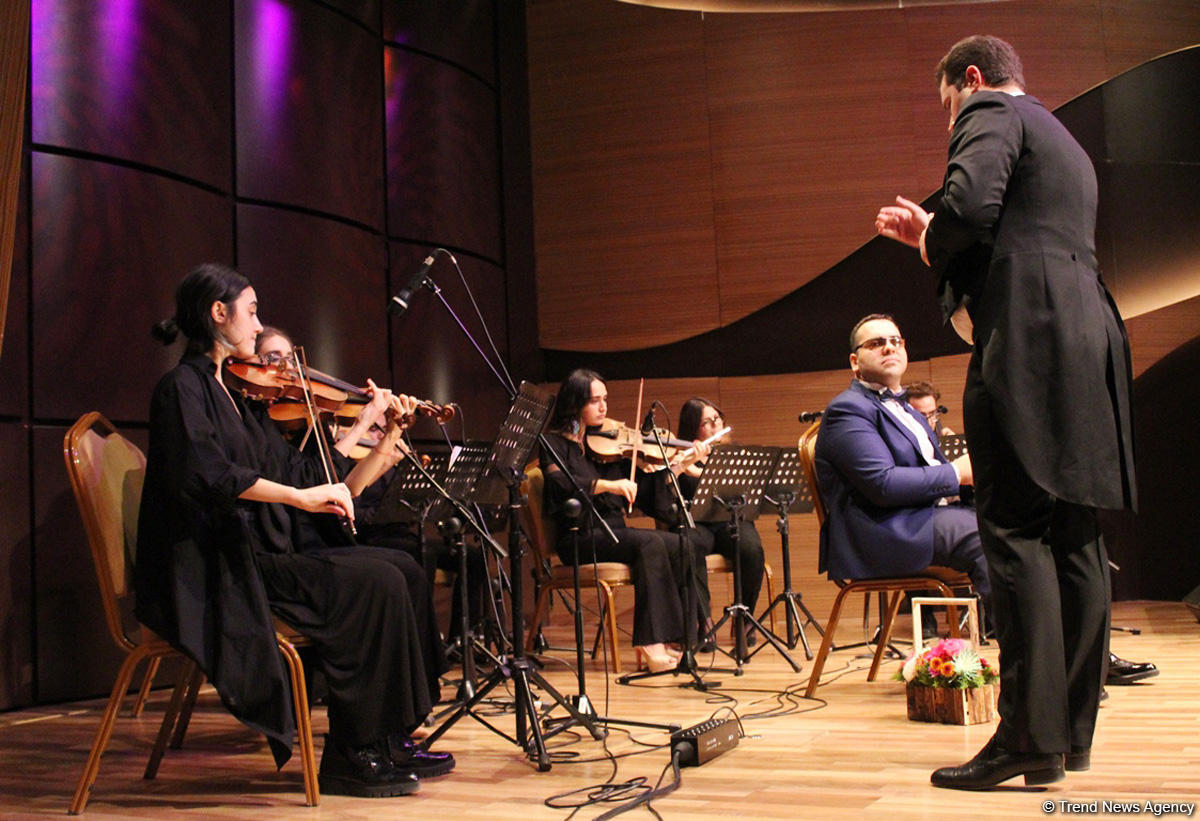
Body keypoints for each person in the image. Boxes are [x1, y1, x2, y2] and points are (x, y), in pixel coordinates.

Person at [875, 35, 1136, 789]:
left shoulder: (989, 107)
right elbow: (1019, 230)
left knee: (1015, 529)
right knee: (1074, 530)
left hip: (1027, 338)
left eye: (946, 103)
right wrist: (938, 241)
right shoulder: (1069, 145)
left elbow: (967, 205)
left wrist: (932, 237)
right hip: (1090, 335)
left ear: (975, 79)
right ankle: (1067, 736)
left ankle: (1026, 735)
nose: (951, 119)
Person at [135, 263, 451, 799]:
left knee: (399, 566)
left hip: (260, 553)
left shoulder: (238, 397)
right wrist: (300, 497)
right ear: (219, 313)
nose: (258, 328)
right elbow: (210, 476)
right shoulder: (180, 389)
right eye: (252, 312)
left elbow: (306, 474)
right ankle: (350, 753)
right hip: (226, 567)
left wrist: (381, 438)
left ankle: (386, 733)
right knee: (375, 582)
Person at [255, 327, 489, 652]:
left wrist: (392, 431)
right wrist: (364, 422)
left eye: (291, 360)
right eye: (273, 359)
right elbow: (311, 482)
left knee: (407, 566)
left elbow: (345, 488)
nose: (288, 371)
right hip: (293, 546)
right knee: (396, 567)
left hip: (324, 535)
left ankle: (422, 676)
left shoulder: (313, 425)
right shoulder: (260, 429)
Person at [813, 315, 992, 632]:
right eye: (876, 343)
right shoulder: (848, 409)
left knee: (1020, 522)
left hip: (920, 517)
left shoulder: (909, 410)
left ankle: (1066, 652)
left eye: (895, 341)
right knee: (987, 535)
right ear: (855, 361)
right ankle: (1029, 661)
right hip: (882, 531)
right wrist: (957, 472)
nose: (888, 348)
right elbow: (883, 484)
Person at [539, 369, 708, 673]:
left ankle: (680, 639)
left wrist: (678, 467)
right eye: (594, 400)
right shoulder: (552, 443)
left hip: (612, 532)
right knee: (650, 542)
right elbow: (561, 485)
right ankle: (651, 641)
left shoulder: (602, 447)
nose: (603, 407)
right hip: (579, 536)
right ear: (575, 403)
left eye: (605, 399)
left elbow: (646, 497)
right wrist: (608, 485)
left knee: (684, 542)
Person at [649, 398, 766, 649]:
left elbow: (739, 491)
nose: (716, 426)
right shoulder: (679, 454)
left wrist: (698, 472)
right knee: (687, 546)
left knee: (751, 548)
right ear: (694, 429)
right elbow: (662, 498)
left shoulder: (735, 454)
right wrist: (680, 468)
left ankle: (743, 617)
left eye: (718, 419)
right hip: (696, 524)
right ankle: (705, 622)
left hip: (729, 520)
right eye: (707, 422)